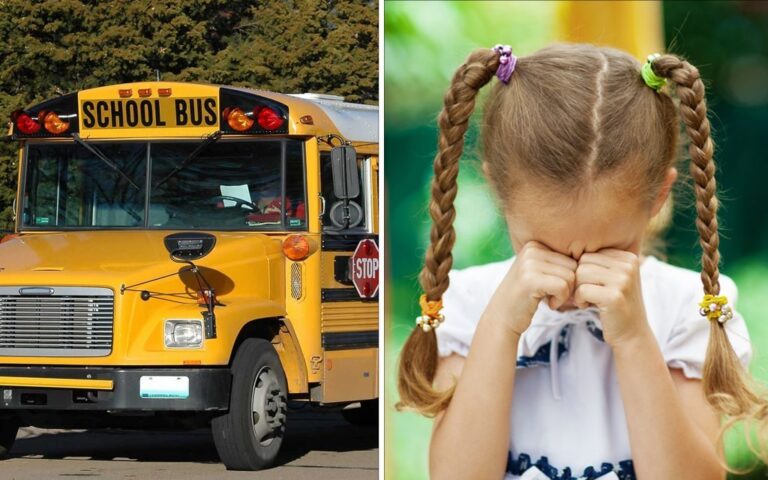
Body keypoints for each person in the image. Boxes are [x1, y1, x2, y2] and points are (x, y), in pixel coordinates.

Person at [396, 43, 763, 479]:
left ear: (657, 199)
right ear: (498, 192)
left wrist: (634, 341)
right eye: (544, 249)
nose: (572, 277)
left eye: (608, 250)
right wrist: (499, 329)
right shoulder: (471, 304)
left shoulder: (683, 307)